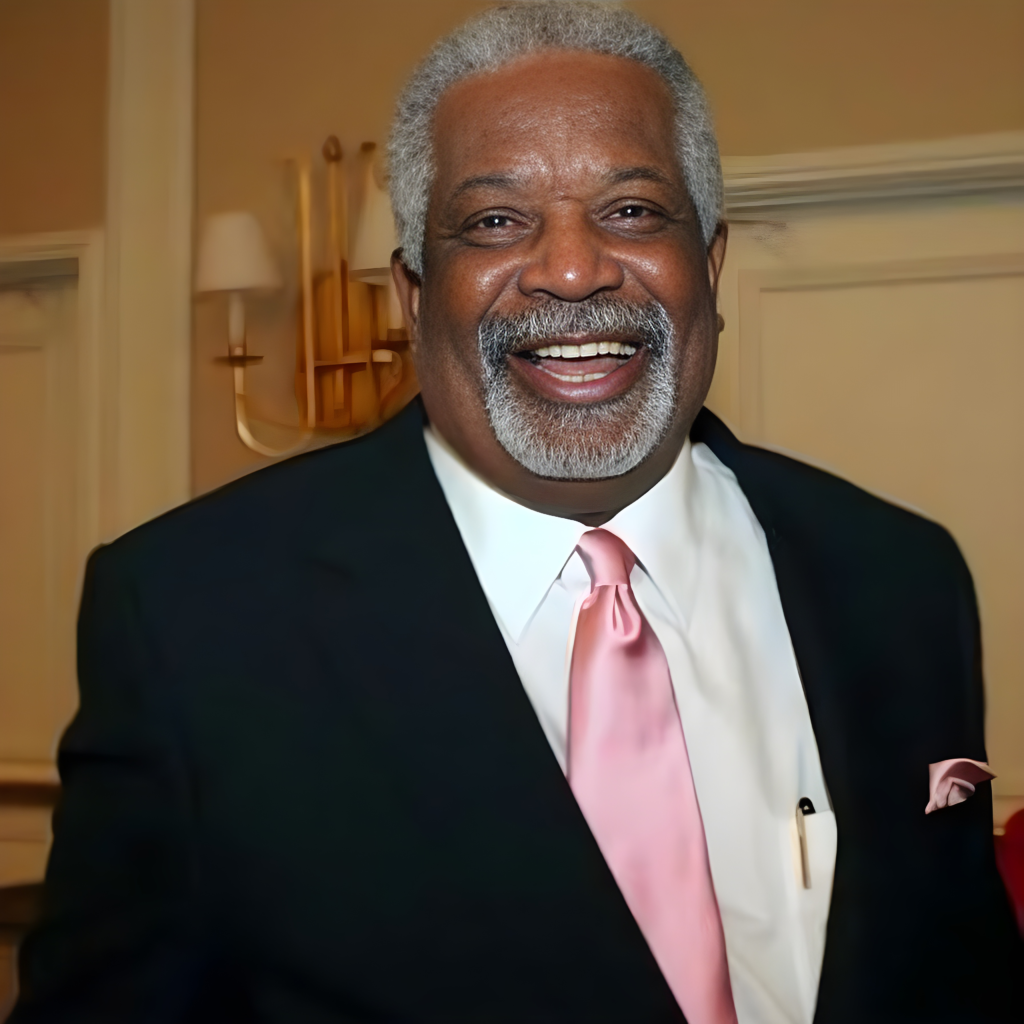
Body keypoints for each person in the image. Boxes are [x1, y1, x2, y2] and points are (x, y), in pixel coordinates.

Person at [12, 3, 1021, 1022]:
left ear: (708, 268)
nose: (572, 270)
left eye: (631, 211)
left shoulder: (897, 575)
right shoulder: (195, 618)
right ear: (412, 291)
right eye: (495, 221)